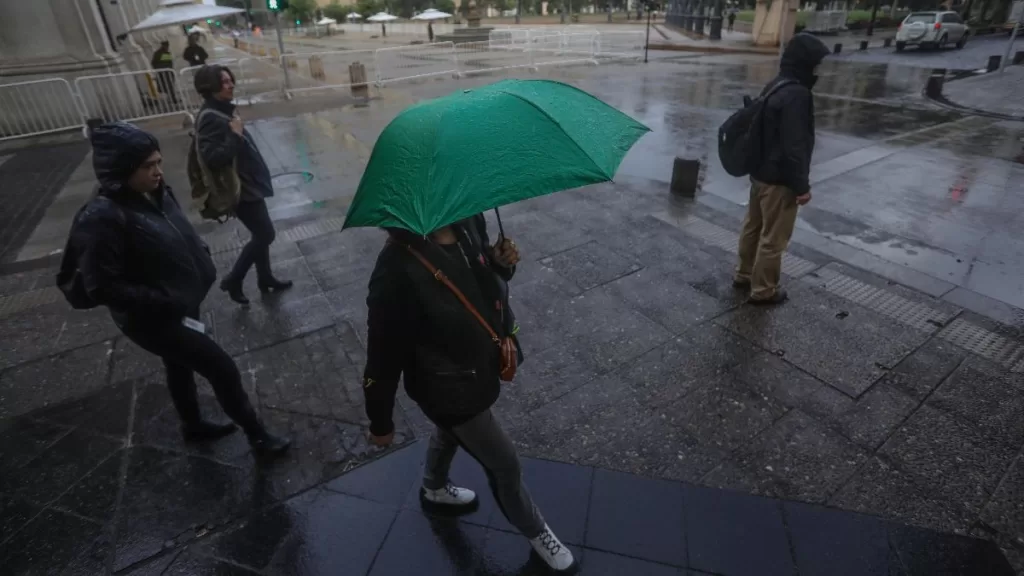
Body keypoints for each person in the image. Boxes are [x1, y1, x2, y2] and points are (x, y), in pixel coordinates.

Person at [62, 122, 290, 458]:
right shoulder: (101, 218)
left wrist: (200, 253)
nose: (157, 172)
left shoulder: (155, 192)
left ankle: (192, 424)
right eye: (147, 166)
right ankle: (258, 436)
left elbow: (177, 229)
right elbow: (103, 287)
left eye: (158, 162)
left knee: (178, 365)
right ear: (121, 169)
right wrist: (163, 301)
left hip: (180, 300)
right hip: (154, 316)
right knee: (220, 367)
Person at [363, 216, 576, 573]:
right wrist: (380, 421)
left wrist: (499, 263)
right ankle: (538, 534)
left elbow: (481, 285)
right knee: (505, 465)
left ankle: (432, 486)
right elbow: (382, 356)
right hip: (444, 387)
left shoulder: (468, 222)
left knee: (450, 431)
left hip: (479, 365)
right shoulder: (395, 268)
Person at [734, 33, 829, 305]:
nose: (817, 70)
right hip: (779, 180)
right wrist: (801, 187)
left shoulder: (775, 85)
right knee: (773, 238)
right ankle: (764, 290)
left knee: (752, 227)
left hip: (760, 174)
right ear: (805, 63)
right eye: (815, 64)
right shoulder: (797, 95)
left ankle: (743, 274)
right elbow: (794, 146)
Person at [193, 65, 292, 305]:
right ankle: (234, 279)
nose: (230, 85)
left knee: (260, 233)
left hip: (248, 184)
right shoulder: (210, 117)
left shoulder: (221, 110)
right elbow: (212, 158)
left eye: (230, 80)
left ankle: (265, 277)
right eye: (224, 82)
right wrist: (235, 135)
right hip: (239, 189)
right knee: (265, 234)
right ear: (210, 87)